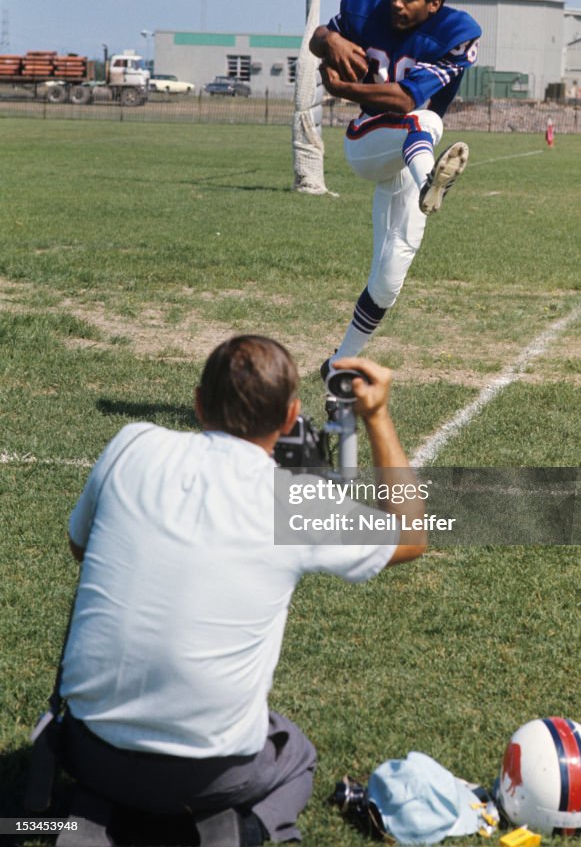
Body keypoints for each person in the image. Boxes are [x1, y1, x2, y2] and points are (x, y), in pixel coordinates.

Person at [59, 335, 426, 845]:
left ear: (198, 402)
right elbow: (411, 534)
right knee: (295, 753)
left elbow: (82, 549)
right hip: (206, 774)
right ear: (291, 414)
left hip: (85, 748)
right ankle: (231, 833)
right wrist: (378, 417)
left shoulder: (131, 444)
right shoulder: (291, 501)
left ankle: (73, 821)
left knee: (116, 775)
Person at [310, 0, 481, 370]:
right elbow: (319, 40)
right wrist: (327, 40)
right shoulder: (366, 6)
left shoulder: (456, 34)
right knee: (425, 120)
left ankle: (339, 365)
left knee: (389, 278)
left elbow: (405, 96)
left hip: (409, 149)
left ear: (434, 5)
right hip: (370, 141)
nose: (397, 4)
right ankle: (431, 183)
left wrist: (344, 87)